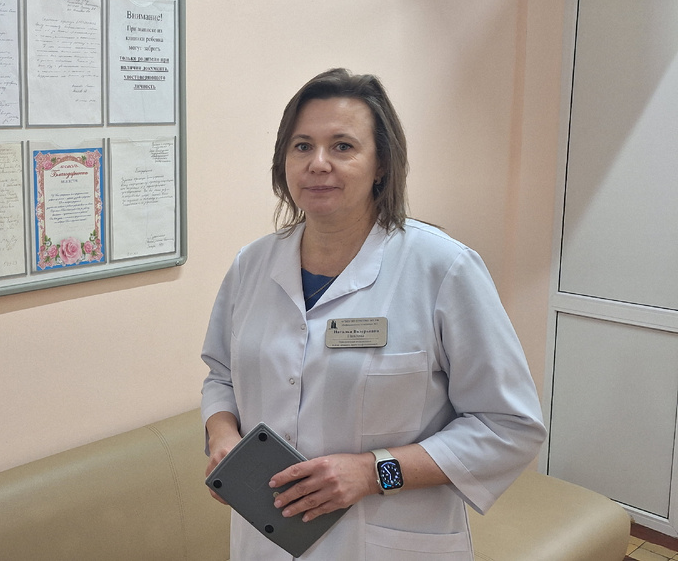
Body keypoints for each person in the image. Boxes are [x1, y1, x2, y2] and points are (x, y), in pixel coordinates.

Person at [200, 68, 546, 560]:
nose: (319, 163)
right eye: (302, 146)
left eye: (342, 146)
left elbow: (508, 425)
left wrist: (372, 472)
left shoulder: (443, 268)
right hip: (265, 539)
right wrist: (222, 436)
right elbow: (220, 375)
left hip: (386, 542)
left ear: (381, 163)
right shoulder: (251, 265)